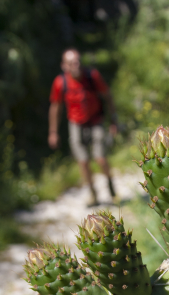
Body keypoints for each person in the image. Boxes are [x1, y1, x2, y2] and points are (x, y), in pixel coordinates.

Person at [48, 48, 118, 206]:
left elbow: (107, 95)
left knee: (100, 158)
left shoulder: (92, 76)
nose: (76, 65)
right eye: (71, 63)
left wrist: (114, 120)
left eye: (78, 61)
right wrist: (53, 132)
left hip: (95, 120)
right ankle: (93, 195)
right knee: (83, 161)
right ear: (64, 66)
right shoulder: (60, 82)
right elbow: (55, 107)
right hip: (75, 123)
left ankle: (112, 191)